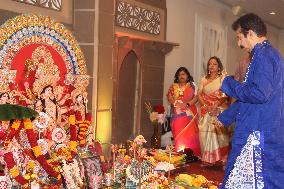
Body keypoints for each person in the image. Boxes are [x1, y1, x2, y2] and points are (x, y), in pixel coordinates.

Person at [216, 13, 284, 188]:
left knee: (258, 180)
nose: (239, 44)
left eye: (240, 38)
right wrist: (225, 117)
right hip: (258, 128)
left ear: (251, 33)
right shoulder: (266, 55)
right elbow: (251, 98)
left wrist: (227, 83)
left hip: (257, 133)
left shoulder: (264, 56)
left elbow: (259, 94)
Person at [197, 57, 230, 167]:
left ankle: (222, 159)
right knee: (204, 133)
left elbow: (225, 95)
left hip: (219, 109)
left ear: (219, 66)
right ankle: (208, 160)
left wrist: (215, 106)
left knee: (218, 133)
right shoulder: (203, 79)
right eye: (210, 64)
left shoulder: (222, 79)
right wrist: (206, 106)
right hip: (206, 110)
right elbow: (199, 94)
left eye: (214, 64)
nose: (211, 66)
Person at [167, 67, 200, 156]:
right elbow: (169, 97)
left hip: (189, 113)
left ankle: (192, 153)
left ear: (187, 76)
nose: (181, 76)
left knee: (191, 133)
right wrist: (176, 103)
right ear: (177, 77)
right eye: (180, 74)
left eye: (183, 74)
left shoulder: (192, 86)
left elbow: (197, 97)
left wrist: (187, 104)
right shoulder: (173, 87)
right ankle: (180, 153)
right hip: (177, 113)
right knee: (178, 131)